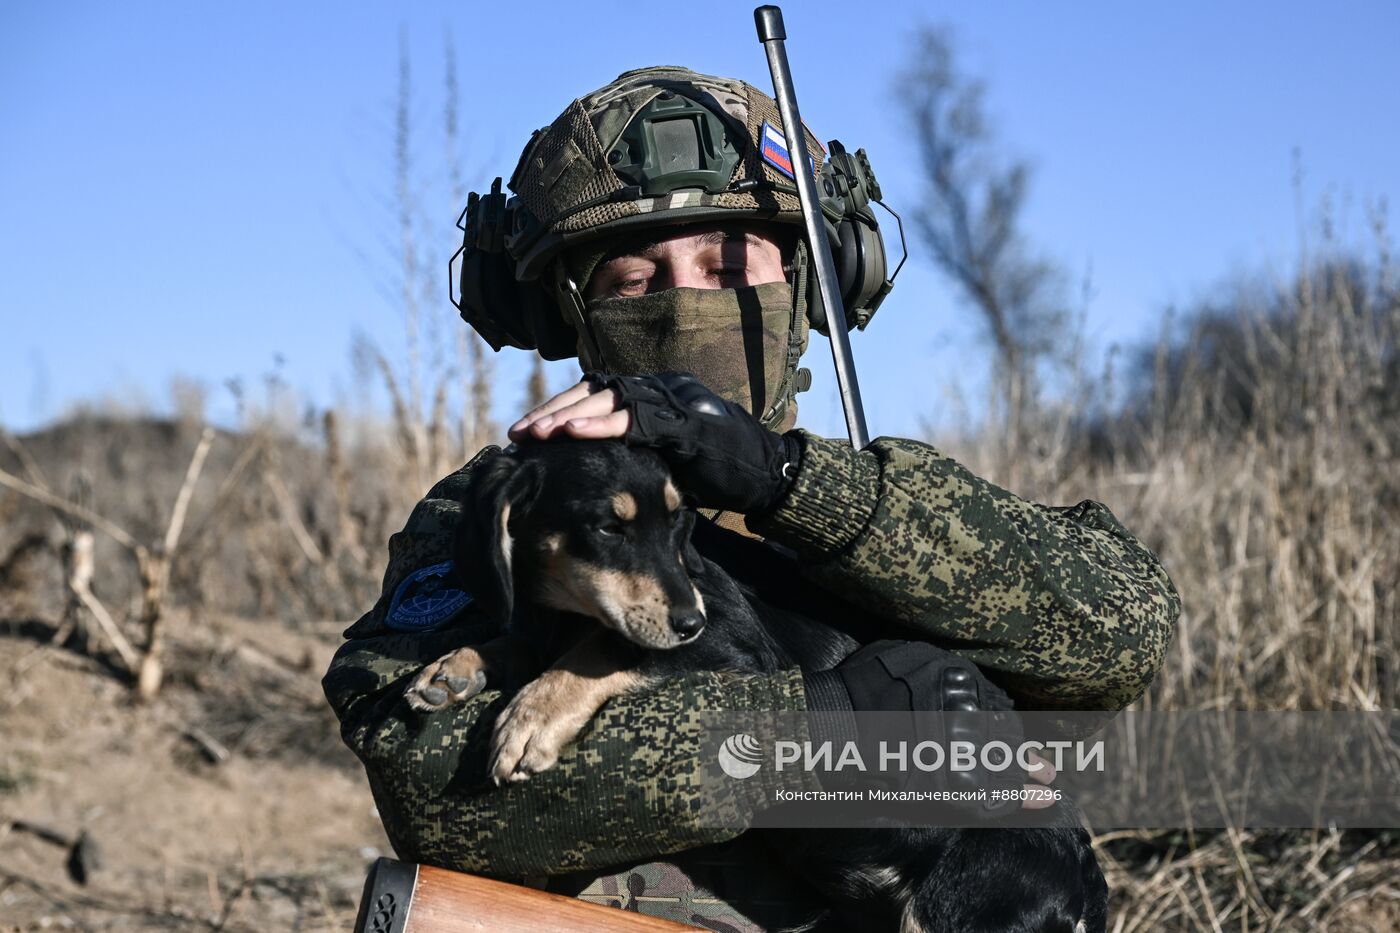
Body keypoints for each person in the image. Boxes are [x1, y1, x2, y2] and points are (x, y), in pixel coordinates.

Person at [323, 66, 1179, 931]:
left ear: (811, 283)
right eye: (634, 278)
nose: (688, 299)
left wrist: (791, 481)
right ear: (567, 313)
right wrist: (811, 727)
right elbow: (431, 787)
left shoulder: (885, 503)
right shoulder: (509, 503)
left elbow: (1122, 634)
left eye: (728, 265)